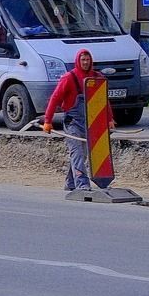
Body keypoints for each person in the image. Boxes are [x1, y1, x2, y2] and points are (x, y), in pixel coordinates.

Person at [40, 49, 101, 191]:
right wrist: (47, 121)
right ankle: (82, 184)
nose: (85, 62)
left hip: (88, 123)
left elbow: (103, 101)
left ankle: (70, 182)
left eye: (87, 60)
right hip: (72, 123)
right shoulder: (69, 78)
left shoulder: (96, 78)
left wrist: (109, 119)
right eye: (83, 60)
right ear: (78, 61)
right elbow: (54, 99)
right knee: (77, 153)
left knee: (83, 154)